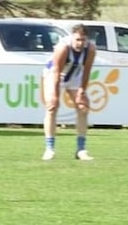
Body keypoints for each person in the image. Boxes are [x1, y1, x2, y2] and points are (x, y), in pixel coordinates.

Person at [41, 23, 96, 161]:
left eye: (83, 40)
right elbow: (56, 71)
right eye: (77, 39)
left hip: (75, 75)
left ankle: (81, 149)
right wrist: (55, 94)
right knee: (52, 107)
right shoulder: (63, 48)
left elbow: (87, 71)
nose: (80, 43)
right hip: (54, 75)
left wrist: (82, 91)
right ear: (72, 37)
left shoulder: (90, 49)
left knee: (83, 108)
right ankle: (49, 149)